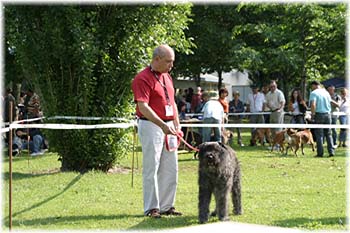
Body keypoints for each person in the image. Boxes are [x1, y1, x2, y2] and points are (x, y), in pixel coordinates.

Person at [131, 44, 182, 218]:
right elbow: (143, 106)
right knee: (151, 167)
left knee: (171, 167)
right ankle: (152, 207)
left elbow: (172, 102)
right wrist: (162, 125)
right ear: (157, 59)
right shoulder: (142, 78)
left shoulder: (167, 77)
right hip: (152, 125)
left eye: (172, 62)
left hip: (168, 125)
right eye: (168, 61)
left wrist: (177, 123)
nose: (171, 65)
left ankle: (167, 206)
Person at [309, 80, 335, 157]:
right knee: (328, 134)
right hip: (328, 114)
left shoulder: (313, 93)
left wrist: (313, 115)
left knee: (319, 134)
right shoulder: (326, 92)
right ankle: (331, 152)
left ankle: (320, 153)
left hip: (319, 115)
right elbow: (331, 102)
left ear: (314, 85)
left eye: (312, 87)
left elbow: (313, 104)